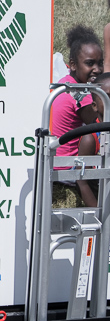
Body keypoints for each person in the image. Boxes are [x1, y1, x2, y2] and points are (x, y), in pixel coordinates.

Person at [51, 25, 103, 207]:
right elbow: (98, 122)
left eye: (100, 63)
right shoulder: (79, 93)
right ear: (73, 64)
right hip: (66, 168)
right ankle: (99, 214)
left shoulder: (67, 82)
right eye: (90, 63)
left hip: (55, 161)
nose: (97, 69)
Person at [76, 73, 110, 207]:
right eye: (107, 96)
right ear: (94, 106)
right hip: (102, 205)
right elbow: (81, 182)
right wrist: (99, 214)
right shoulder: (90, 138)